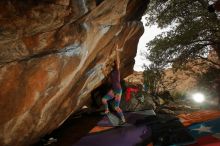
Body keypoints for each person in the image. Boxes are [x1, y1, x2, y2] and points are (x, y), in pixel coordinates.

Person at [102, 45, 126, 123]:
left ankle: (123, 119)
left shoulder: (117, 70)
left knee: (116, 107)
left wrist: (116, 51)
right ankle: (107, 110)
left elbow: (118, 61)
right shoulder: (111, 73)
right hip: (113, 90)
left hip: (118, 90)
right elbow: (105, 74)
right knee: (104, 99)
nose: (112, 64)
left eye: (113, 63)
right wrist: (103, 68)